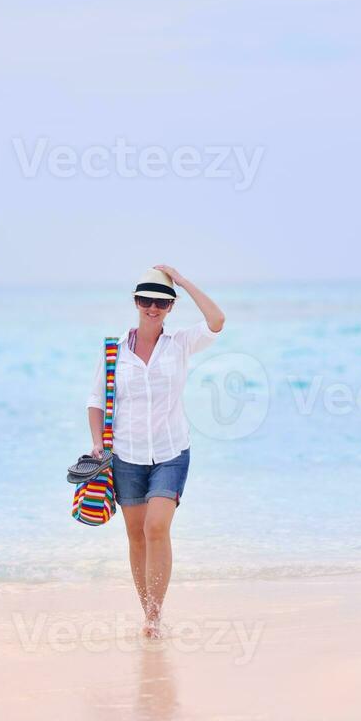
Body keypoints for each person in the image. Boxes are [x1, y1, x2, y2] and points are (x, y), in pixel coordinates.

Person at [86, 265, 225, 637]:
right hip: (126, 455)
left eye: (161, 302)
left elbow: (216, 320)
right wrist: (98, 444)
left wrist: (181, 281)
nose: (152, 307)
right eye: (145, 300)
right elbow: (96, 402)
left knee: (157, 527)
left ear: (170, 307)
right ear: (135, 302)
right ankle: (147, 613)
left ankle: (154, 614)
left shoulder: (179, 343)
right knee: (135, 535)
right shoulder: (114, 350)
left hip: (171, 451)